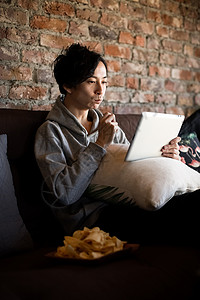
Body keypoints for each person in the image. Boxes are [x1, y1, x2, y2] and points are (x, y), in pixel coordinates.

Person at [34, 43, 181, 240]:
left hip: (124, 205)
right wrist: (100, 144)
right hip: (91, 222)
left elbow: (132, 169)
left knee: (184, 204)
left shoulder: (107, 125)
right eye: (91, 82)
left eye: (104, 82)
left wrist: (164, 157)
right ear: (68, 85)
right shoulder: (50, 132)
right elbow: (65, 194)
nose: (100, 91)